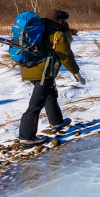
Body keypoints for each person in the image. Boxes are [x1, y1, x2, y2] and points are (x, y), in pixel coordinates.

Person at [18, 9, 86, 146]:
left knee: (50, 94)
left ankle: (57, 122)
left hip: (29, 69)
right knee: (35, 105)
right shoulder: (56, 34)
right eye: (65, 21)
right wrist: (76, 73)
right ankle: (26, 138)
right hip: (43, 73)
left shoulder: (41, 29)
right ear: (60, 22)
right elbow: (66, 57)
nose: (67, 23)